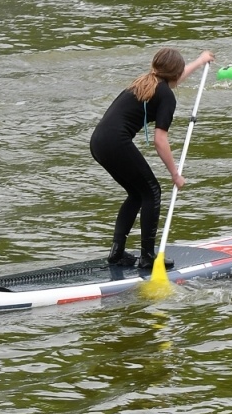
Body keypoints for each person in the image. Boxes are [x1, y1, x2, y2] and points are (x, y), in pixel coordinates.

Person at [89, 46, 214, 271]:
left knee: (137, 194)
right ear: (173, 74)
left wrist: (199, 62)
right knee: (152, 191)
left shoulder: (145, 81)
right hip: (116, 143)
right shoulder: (166, 95)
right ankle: (147, 257)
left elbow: (174, 78)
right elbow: (160, 140)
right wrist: (175, 173)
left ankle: (116, 254)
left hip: (98, 142)